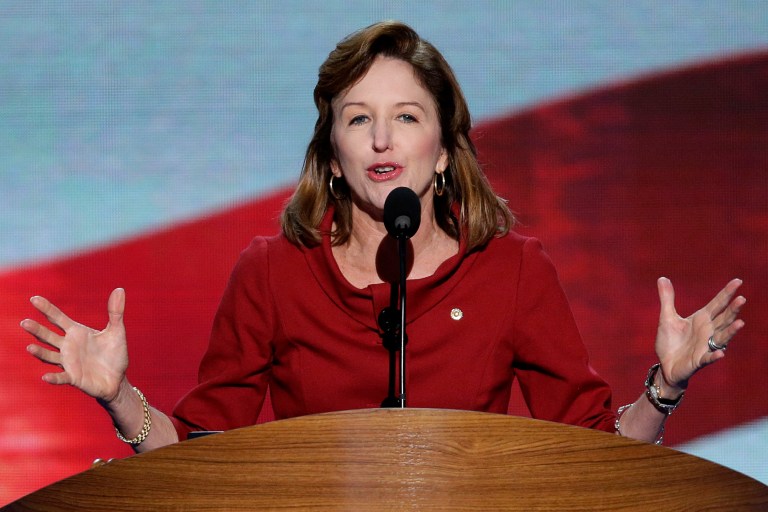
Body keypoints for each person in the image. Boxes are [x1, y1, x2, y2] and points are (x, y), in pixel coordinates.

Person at [22, 21, 745, 453]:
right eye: (357, 118)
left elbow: (597, 457)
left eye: (405, 116)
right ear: (333, 153)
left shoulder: (513, 270)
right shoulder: (273, 273)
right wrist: (118, 397)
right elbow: (205, 454)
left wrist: (665, 387)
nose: (380, 138)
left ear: (443, 148)